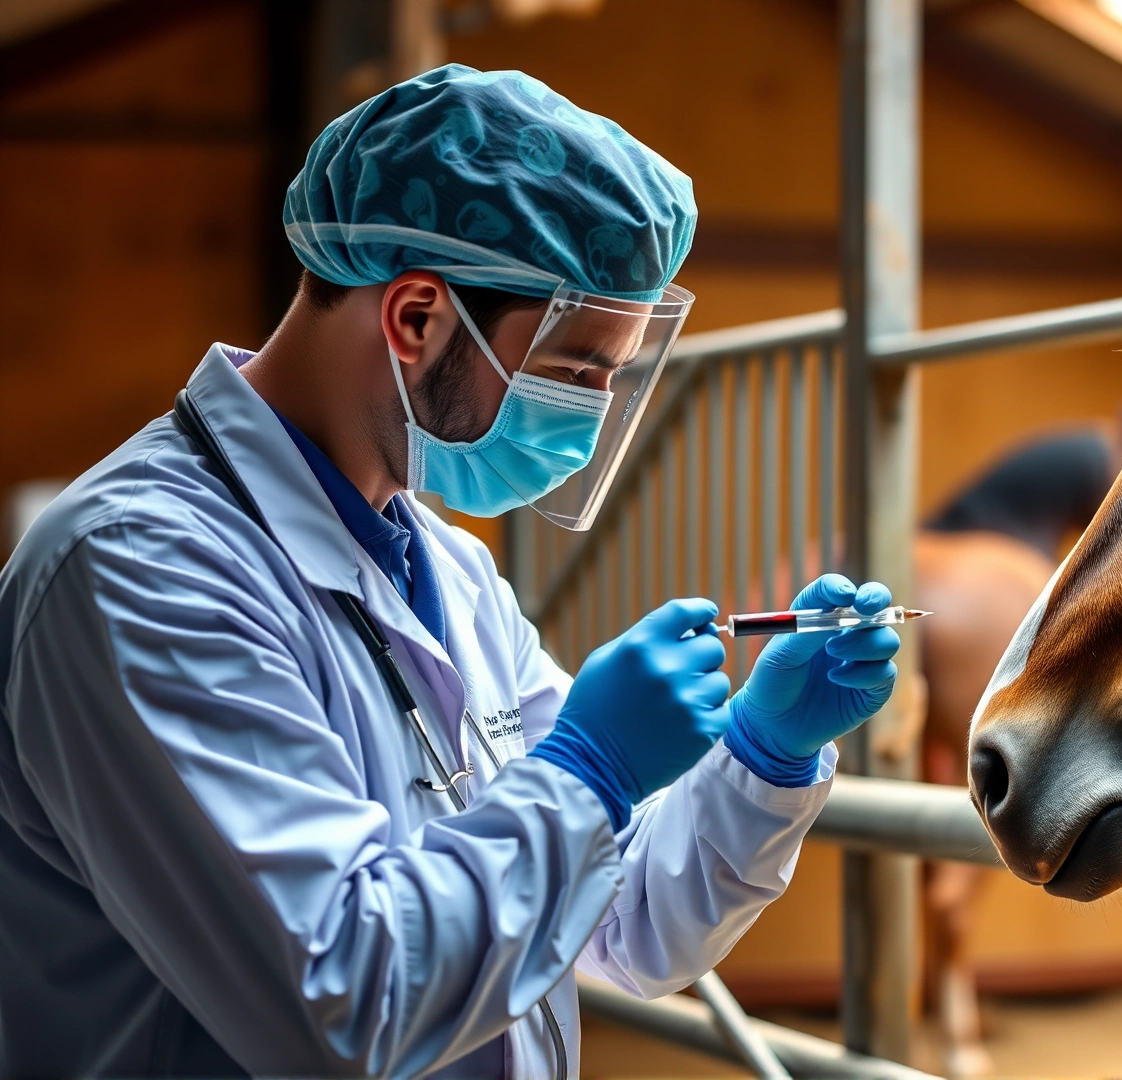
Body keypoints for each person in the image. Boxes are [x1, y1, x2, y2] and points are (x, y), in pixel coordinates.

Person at [0, 65, 898, 1079]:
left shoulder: (450, 569)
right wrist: (590, 770)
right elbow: (344, 1004)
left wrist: (761, 754)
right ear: (417, 318)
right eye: (574, 373)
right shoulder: (141, 572)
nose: (593, 416)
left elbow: (626, 921)